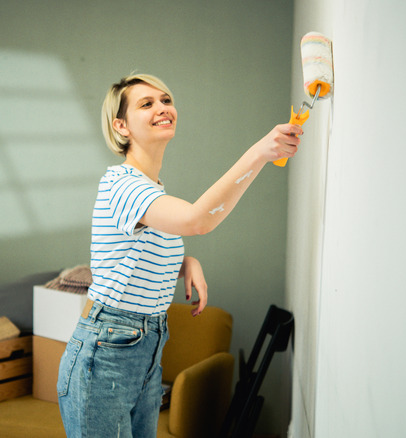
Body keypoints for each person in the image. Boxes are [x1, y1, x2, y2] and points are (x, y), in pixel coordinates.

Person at [57, 73, 302, 438]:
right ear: (120, 126)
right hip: (106, 351)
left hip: (146, 350)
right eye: (147, 103)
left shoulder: (151, 189)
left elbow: (139, 250)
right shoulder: (121, 184)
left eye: (166, 100)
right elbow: (196, 220)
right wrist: (259, 153)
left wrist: (186, 262)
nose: (163, 107)